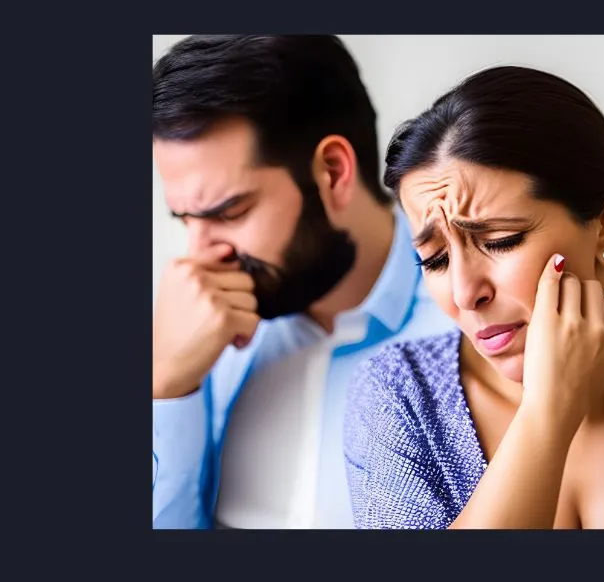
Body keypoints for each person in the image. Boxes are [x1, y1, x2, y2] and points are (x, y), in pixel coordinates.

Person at [151, 35, 455, 529]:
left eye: (230, 212)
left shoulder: (479, 325)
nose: (198, 255)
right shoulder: (189, 331)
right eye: (185, 219)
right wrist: (169, 388)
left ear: (333, 172)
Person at [343, 65, 604, 529]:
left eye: (501, 240)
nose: (466, 293)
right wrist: (548, 414)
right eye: (436, 259)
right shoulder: (402, 396)